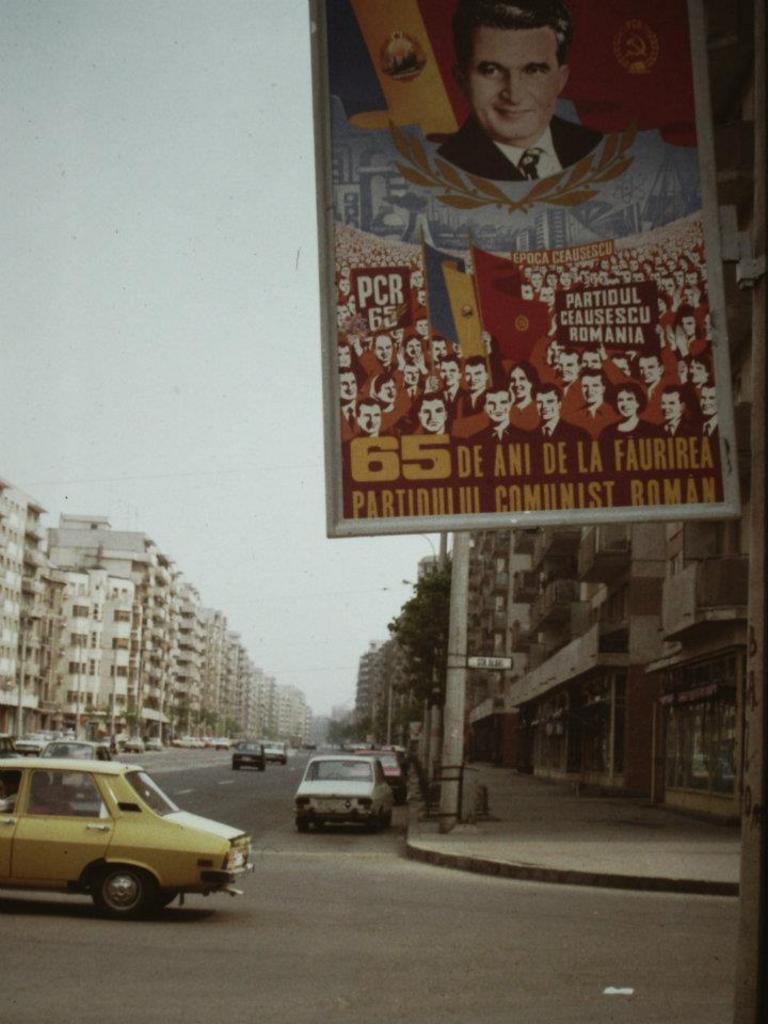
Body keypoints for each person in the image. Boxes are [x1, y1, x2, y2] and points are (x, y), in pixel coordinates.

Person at [437, 0, 603, 182]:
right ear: (462, 80)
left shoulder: (599, 148)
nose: (514, 95)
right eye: (491, 70)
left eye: (534, 70)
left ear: (560, 79)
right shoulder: (440, 171)